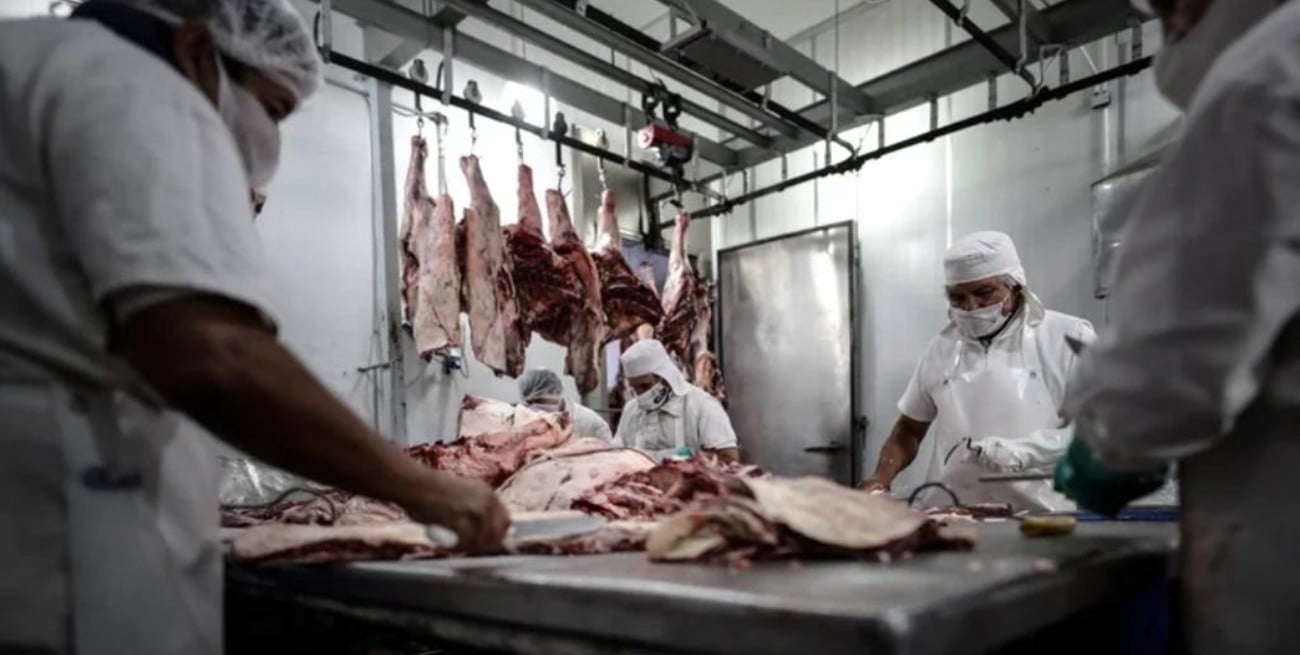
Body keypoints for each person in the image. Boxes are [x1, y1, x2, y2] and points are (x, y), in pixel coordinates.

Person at [0, 1, 508, 653]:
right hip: (59, 533)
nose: (270, 140)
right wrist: (421, 487)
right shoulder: (138, 86)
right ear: (197, 50)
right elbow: (213, 354)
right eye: (270, 108)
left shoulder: (28, 62)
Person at [1055, 1, 1300, 652]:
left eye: (1168, 5)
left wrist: (1106, 443)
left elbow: (1172, 363)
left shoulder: (1264, 78)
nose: (1170, 27)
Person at [859, 231, 1095, 510]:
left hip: (1042, 514)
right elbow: (909, 430)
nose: (971, 307)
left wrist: (1022, 452)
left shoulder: (1068, 337)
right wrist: (881, 477)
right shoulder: (941, 348)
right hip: (952, 510)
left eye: (984, 293)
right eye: (957, 297)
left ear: (1015, 286)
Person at [614, 339, 740, 463]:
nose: (640, 394)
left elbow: (729, 459)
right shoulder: (631, 410)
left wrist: (691, 460)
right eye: (635, 388)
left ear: (663, 377)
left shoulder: (703, 405)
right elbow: (617, 456)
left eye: (645, 386)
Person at [517, 368, 613, 441]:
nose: (538, 410)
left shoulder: (591, 424)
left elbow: (609, 457)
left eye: (541, 401)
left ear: (555, 392)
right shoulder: (527, 420)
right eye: (531, 403)